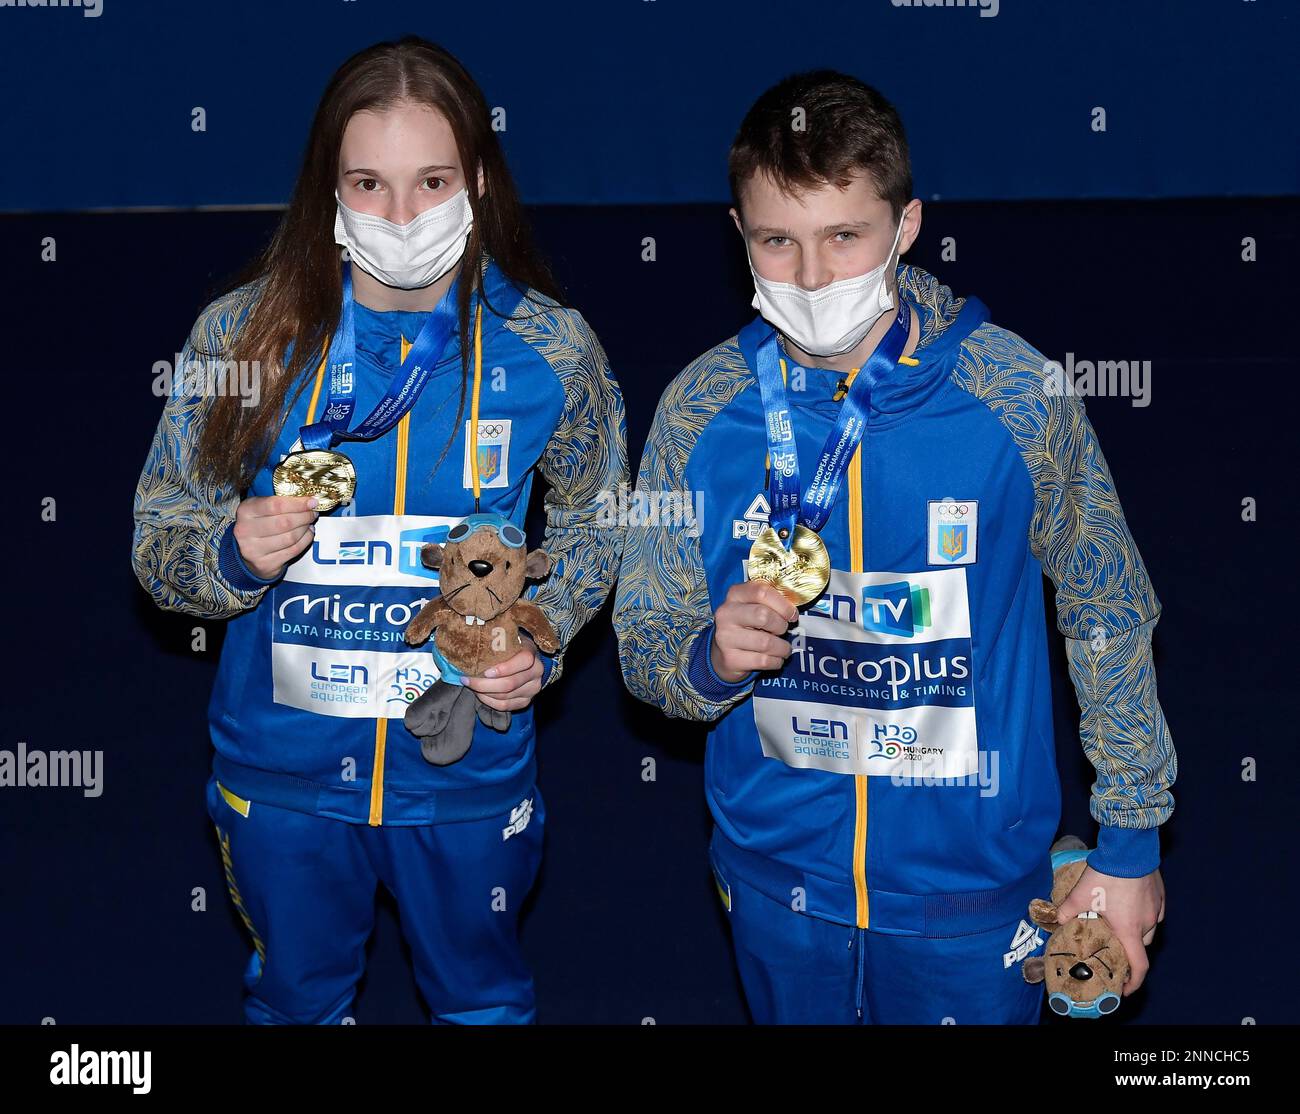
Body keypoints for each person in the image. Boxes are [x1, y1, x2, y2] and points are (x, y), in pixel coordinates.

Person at [612, 70, 1171, 1024]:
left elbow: (1106, 606)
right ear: (738, 232)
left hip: (972, 890)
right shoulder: (700, 410)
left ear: (906, 226)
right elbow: (646, 644)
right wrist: (708, 662)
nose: (812, 277)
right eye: (777, 241)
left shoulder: (1017, 395)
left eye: (845, 236)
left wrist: (1129, 842)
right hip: (776, 878)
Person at [131, 37, 627, 1024]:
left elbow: (599, 520)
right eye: (369, 184)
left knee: (481, 1003)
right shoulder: (241, 338)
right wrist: (229, 556)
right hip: (282, 778)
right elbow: (158, 539)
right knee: (296, 1003)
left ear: (476, 181)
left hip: (465, 772)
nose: (401, 217)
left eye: (431, 182)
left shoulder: (550, 349)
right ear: (331, 189)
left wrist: (545, 637)